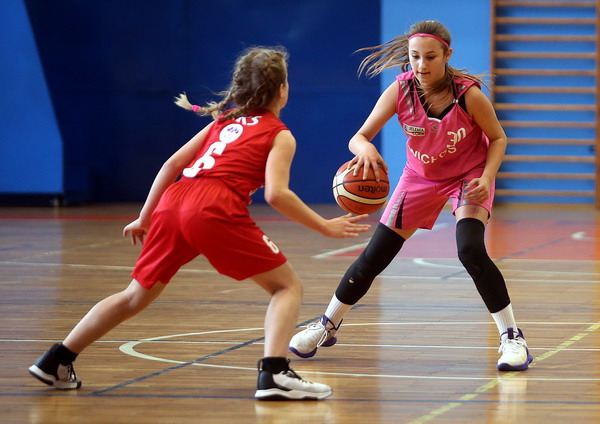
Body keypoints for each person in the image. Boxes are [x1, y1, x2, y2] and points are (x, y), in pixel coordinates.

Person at [28, 46, 372, 400]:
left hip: (173, 203)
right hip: (213, 207)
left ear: (240, 87)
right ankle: (274, 373)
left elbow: (171, 165)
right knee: (286, 287)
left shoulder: (222, 122)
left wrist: (145, 216)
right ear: (282, 90)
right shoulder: (279, 134)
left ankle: (57, 359)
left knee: (134, 296)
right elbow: (276, 194)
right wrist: (325, 226)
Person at [289, 20, 534, 371]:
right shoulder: (400, 90)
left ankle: (512, 338)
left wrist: (487, 176)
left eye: (430, 57)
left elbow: (498, 138)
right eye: (415, 56)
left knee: (470, 250)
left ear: (447, 55)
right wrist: (365, 149)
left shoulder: (468, 95)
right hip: (419, 177)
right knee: (374, 256)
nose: (421, 64)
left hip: (468, 176)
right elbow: (359, 137)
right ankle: (326, 325)